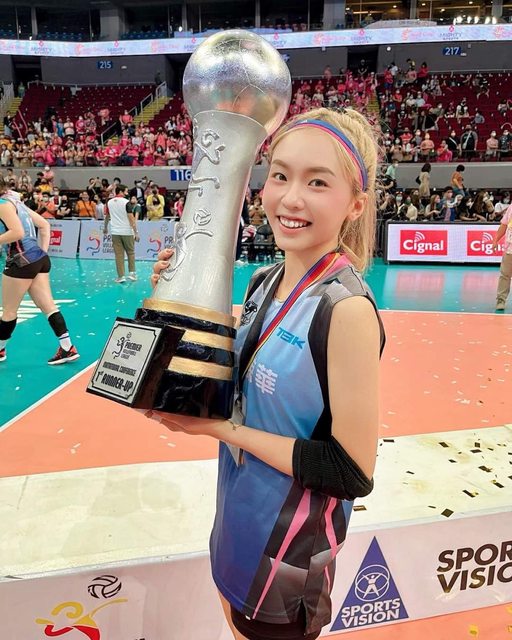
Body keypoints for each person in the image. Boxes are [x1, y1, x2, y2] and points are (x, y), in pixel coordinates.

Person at [148, 107, 385, 640]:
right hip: (235, 523)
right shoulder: (264, 282)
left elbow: (350, 471)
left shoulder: (345, 310)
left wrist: (219, 430)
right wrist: (177, 299)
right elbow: (236, 382)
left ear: (355, 204)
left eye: (317, 182)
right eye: (280, 175)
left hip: (286, 556)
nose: (291, 198)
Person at [0, 181, 79, 364]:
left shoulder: (3, 205)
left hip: (20, 260)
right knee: (48, 306)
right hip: (39, 259)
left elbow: (17, 233)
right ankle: (67, 347)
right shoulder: (15, 201)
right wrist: (40, 255)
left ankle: (0, 350)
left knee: (9, 311)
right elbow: (44, 225)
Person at [103, 184, 139, 283]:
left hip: (115, 232)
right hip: (127, 232)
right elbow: (131, 219)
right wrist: (136, 232)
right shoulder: (126, 202)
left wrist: (105, 227)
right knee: (130, 253)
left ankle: (121, 276)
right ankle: (132, 274)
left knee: (119, 255)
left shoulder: (109, 202)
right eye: (126, 191)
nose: (127, 193)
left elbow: (107, 216)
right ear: (121, 191)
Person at [492, 203, 512, 311]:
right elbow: (504, 225)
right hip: (510, 248)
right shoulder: (511, 207)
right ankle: (501, 300)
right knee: (505, 274)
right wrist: (495, 240)